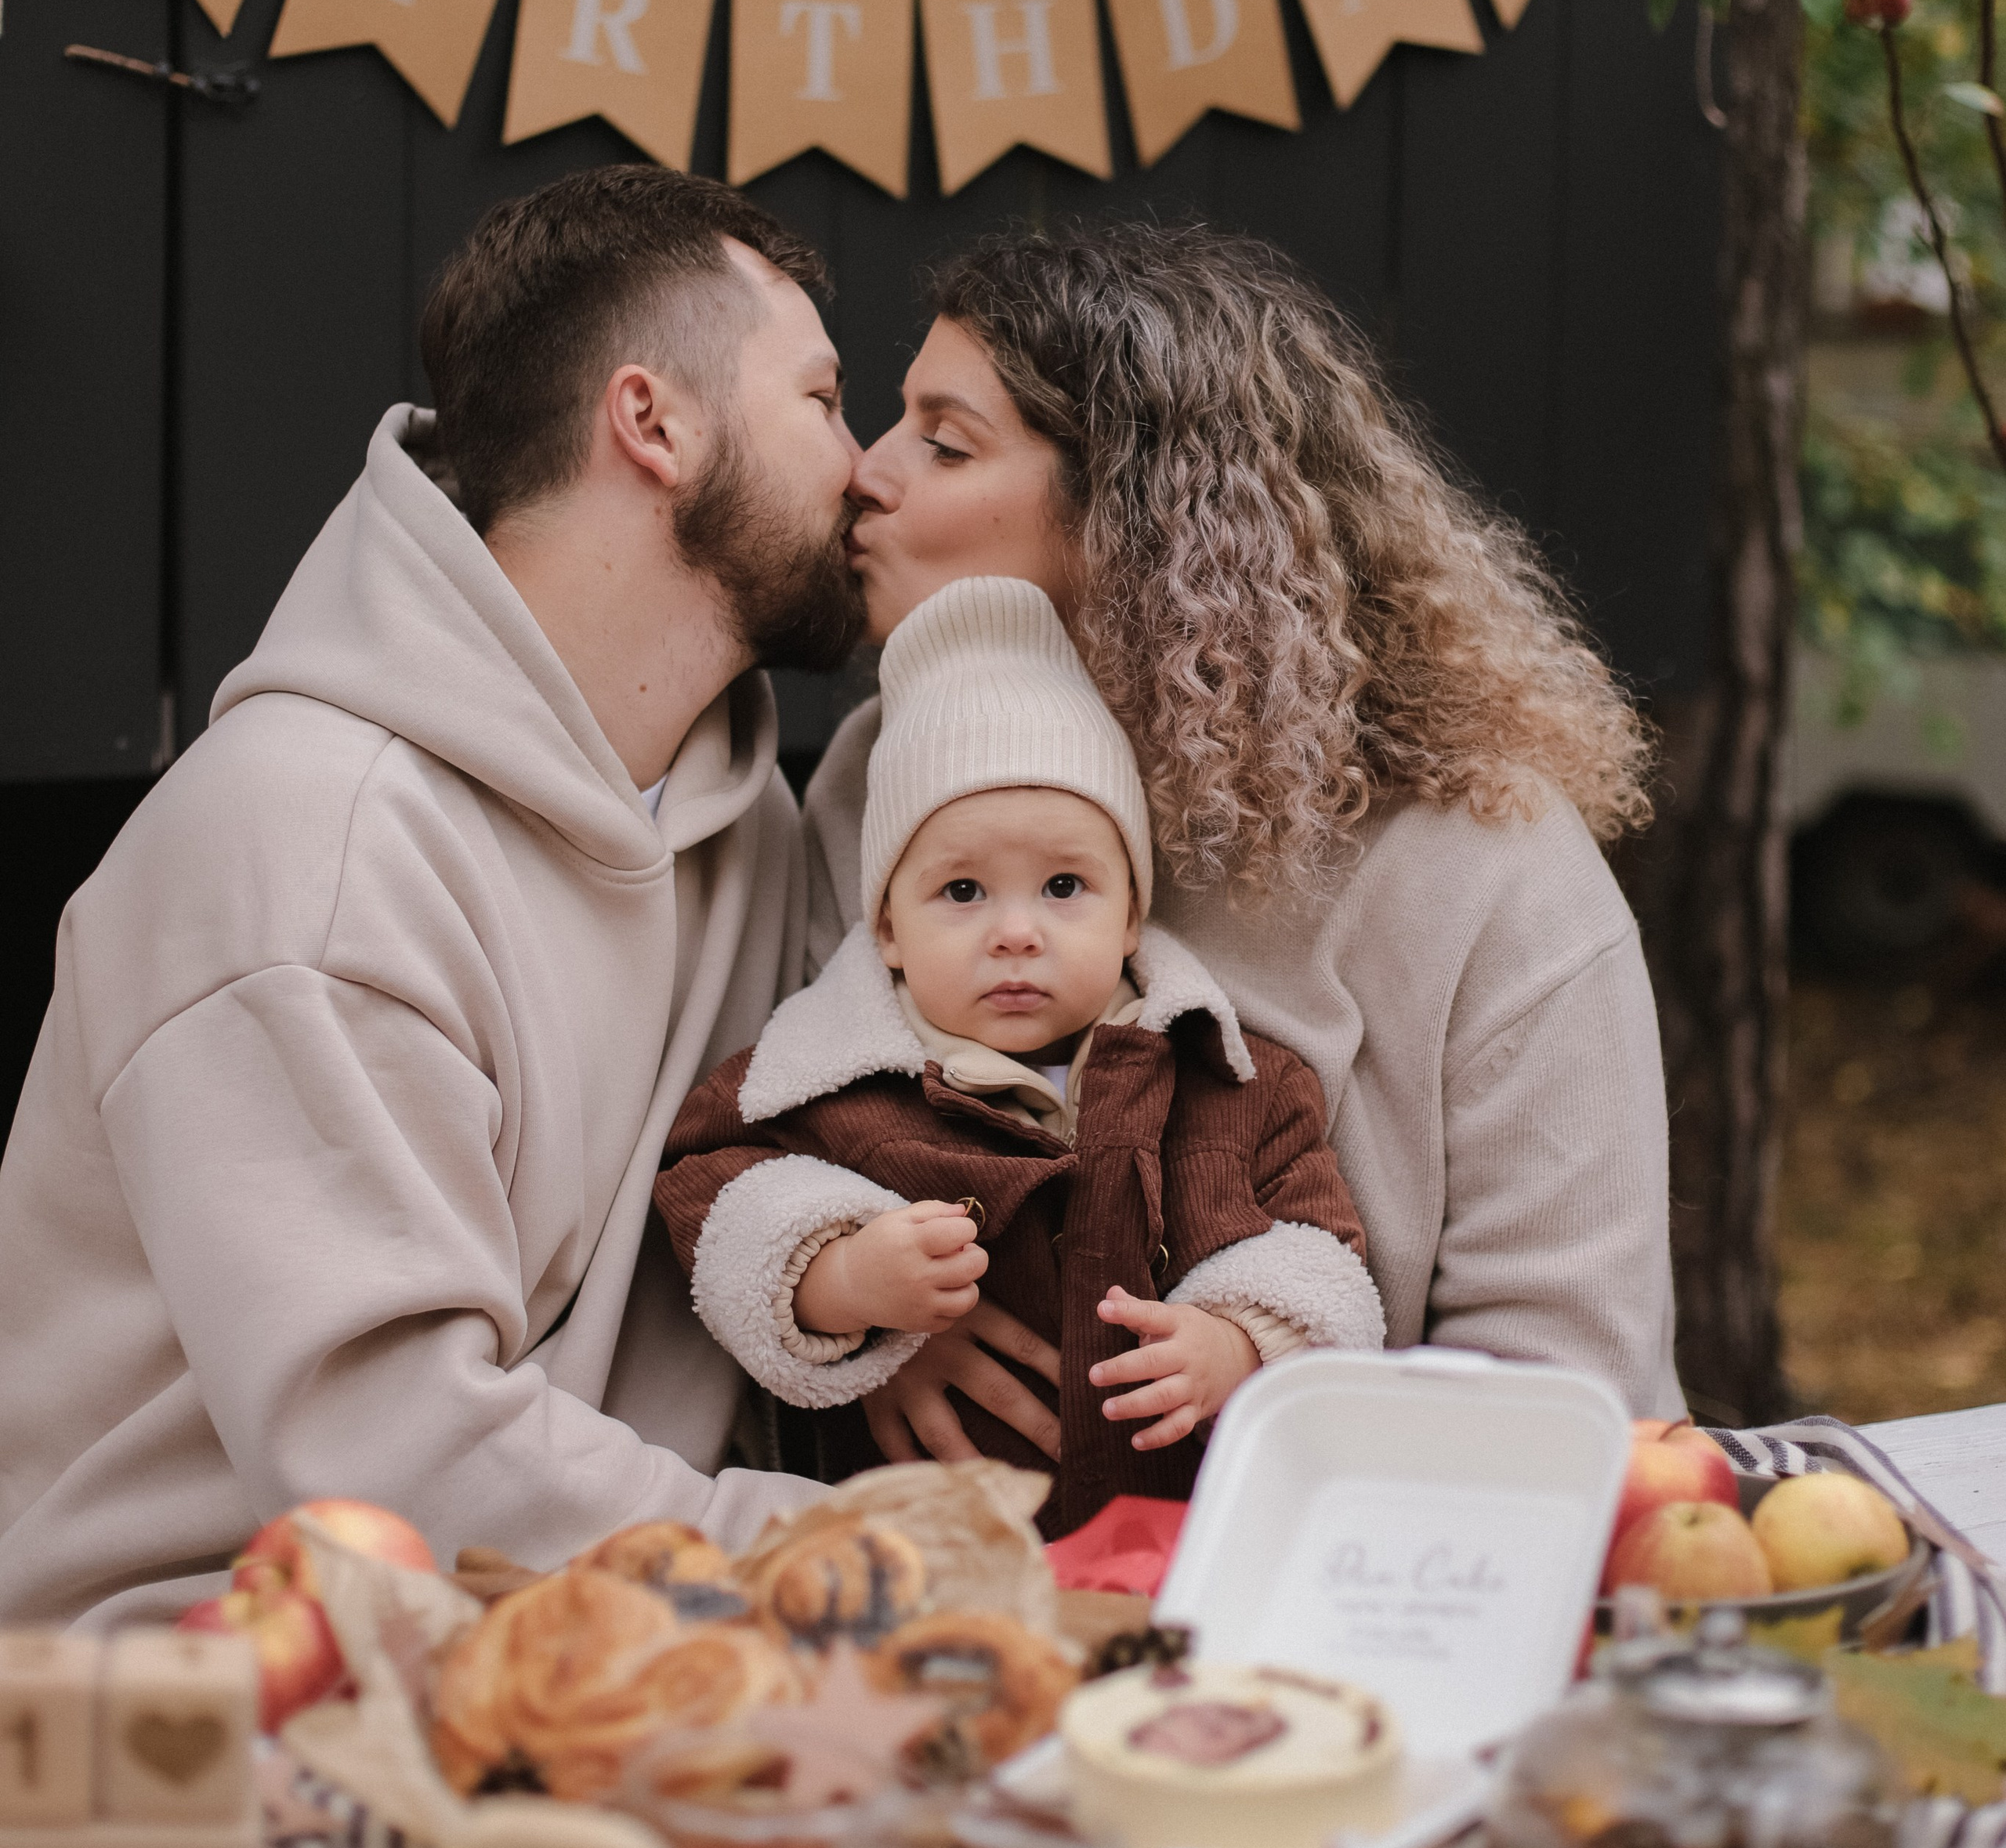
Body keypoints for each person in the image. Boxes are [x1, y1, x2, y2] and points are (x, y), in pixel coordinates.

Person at [0, 165, 863, 1628]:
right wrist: (869, 1554)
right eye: (824, 401)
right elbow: (401, 1462)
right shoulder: (305, 848)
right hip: (208, 1687)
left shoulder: (741, 816)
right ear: (654, 424)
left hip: (613, 1644)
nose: (868, 465)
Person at [804, 222, 1682, 1470]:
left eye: (945, 443)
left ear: (1133, 516)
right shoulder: (875, 783)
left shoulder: (1485, 859)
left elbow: (1562, 1377)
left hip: (1375, 1549)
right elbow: (779, 1132)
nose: (864, 473)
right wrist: (878, 1326)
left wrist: (1257, 1399)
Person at [654, 576, 1382, 1535]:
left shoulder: (1233, 1084)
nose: (1015, 932)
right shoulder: (819, 1089)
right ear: (888, 930)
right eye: (961, 892)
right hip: (931, 1559)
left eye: (1063, 886)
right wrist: (846, 1280)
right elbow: (713, 1197)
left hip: (1177, 1555)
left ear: (1131, 914)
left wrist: (1237, 1344)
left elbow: (1322, 1255)